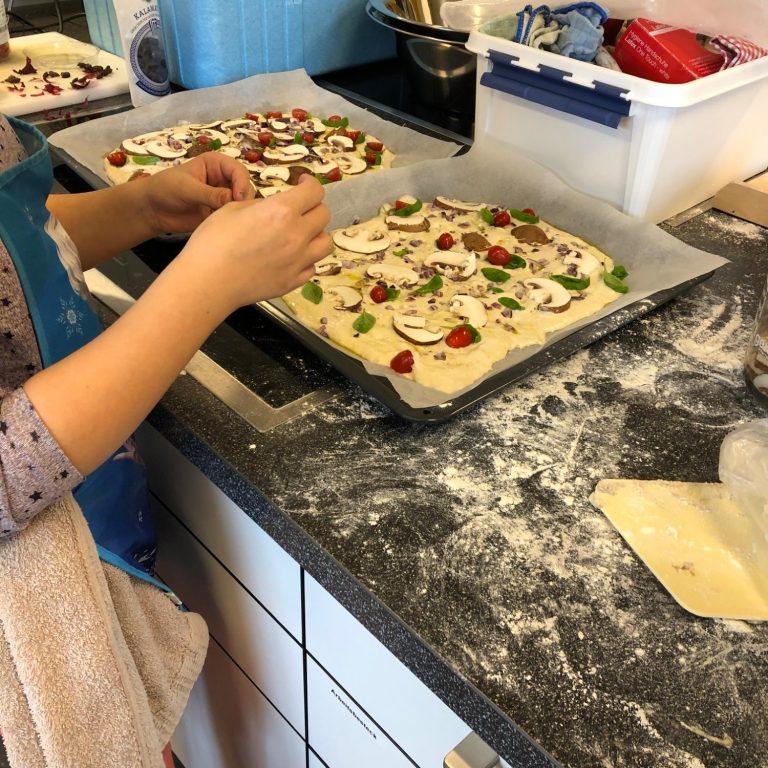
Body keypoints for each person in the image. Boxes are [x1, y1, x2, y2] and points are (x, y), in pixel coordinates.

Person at [0, 112, 332, 768]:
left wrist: (138, 209)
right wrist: (205, 284)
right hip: (38, 632)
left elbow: (15, 245)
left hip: (96, 527)